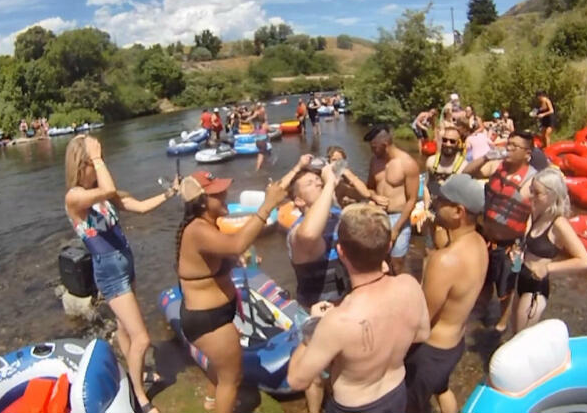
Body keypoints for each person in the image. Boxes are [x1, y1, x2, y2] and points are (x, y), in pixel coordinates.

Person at [64, 135, 180, 413]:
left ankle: (135, 375)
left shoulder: (103, 193)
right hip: (109, 270)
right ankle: (140, 396)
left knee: (125, 329)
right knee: (142, 338)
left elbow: (138, 207)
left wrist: (170, 193)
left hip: (124, 262)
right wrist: (97, 156)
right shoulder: (75, 196)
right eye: (95, 160)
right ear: (84, 164)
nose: (101, 165)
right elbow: (108, 188)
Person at [287, 203, 431, 413]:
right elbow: (422, 334)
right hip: (396, 394)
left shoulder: (338, 320)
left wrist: (312, 327)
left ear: (341, 252)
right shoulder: (409, 285)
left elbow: (296, 380)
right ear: (388, 247)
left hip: (355, 406)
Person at [175, 171, 287, 413]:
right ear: (202, 201)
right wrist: (267, 205)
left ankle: (212, 401)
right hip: (207, 320)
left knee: (222, 366)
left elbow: (221, 253)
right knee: (232, 379)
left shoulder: (206, 226)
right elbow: (236, 243)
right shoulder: (197, 230)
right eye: (218, 193)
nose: (225, 194)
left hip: (215, 314)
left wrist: (233, 260)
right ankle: (220, 402)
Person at [405, 174, 487, 413]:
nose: (435, 204)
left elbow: (422, 317)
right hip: (455, 343)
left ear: (458, 211)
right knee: (442, 390)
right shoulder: (479, 243)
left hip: (430, 352)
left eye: (441, 201)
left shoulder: (444, 260)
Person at [281, 158, 352, 413]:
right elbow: (311, 234)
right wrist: (330, 183)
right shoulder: (298, 234)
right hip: (315, 313)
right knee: (315, 375)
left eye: (318, 180)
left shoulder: (338, 214)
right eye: (311, 184)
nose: (318, 182)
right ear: (299, 201)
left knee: (345, 367)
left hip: (345, 305)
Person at [463, 131, 537, 332]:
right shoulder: (497, 167)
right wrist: (486, 156)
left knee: (505, 288)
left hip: (510, 244)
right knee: (482, 280)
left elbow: (536, 214)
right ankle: (480, 313)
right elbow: (466, 174)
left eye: (515, 146)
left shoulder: (533, 181)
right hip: (486, 238)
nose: (509, 149)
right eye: (509, 144)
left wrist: (525, 246)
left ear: (527, 153)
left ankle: (502, 323)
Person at [514, 168, 587, 332]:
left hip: (536, 287)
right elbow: (526, 245)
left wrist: (548, 268)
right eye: (532, 190)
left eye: (537, 193)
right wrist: (517, 255)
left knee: (520, 339)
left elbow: (584, 261)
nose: (531, 196)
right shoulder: (536, 213)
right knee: (515, 333)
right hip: (521, 278)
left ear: (552, 194)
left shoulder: (559, 224)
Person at [366, 125, 420, 275]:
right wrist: (374, 196)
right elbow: (369, 187)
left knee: (397, 263)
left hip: (398, 217)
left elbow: (412, 200)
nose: (372, 151)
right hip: (378, 216)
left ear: (385, 145)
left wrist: (396, 229)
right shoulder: (374, 161)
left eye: (374, 147)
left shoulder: (407, 164)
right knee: (378, 262)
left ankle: (404, 292)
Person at [423, 126, 467, 249]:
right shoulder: (431, 162)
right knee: (435, 246)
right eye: (445, 140)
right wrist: (426, 208)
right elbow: (426, 186)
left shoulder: (464, 166)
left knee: (449, 248)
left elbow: (465, 196)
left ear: (458, 144)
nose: (448, 144)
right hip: (434, 212)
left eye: (452, 141)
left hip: (453, 214)